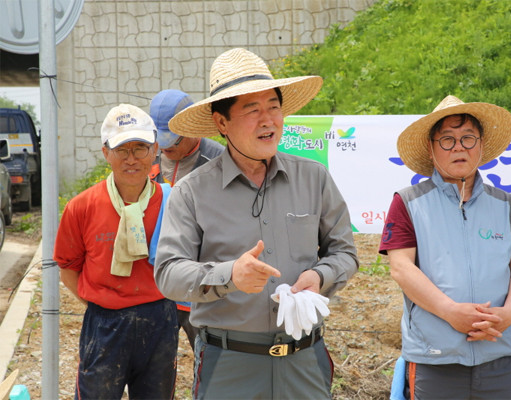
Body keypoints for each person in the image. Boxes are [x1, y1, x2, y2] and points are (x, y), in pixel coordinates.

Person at [154, 48, 358, 400]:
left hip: (304, 360)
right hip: (229, 363)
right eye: (252, 110)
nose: (268, 120)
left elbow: (345, 252)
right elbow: (169, 273)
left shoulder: (313, 179)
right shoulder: (192, 191)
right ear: (221, 123)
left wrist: (320, 277)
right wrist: (230, 276)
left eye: (273, 107)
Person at [379, 95, 511, 399]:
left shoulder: (504, 204)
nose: (459, 147)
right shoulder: (408, 202)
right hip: (435, 359)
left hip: (497, 354)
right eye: (447, 140)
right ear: (432, 150)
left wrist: (509, 313)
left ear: (481, 146)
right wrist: (450, 312)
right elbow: (401, 268)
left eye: (467, 138)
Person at [54, 104, 178, 399]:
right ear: (105, 152)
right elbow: (68, 266)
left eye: (140, 148)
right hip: (104, 323)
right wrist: (101, 305)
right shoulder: (81, 207)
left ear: (155, 149)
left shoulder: (173, 202)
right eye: (122, 149)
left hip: (160, 320)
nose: (131, 158)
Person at [149, 89, 224, 350]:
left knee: (209, 356)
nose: (167, 148)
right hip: (158, 284)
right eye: (161, 141)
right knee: (156, 363)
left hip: (200, 285)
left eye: (174, 141)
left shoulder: (219, 161)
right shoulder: (149, 158)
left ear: (192, 126)